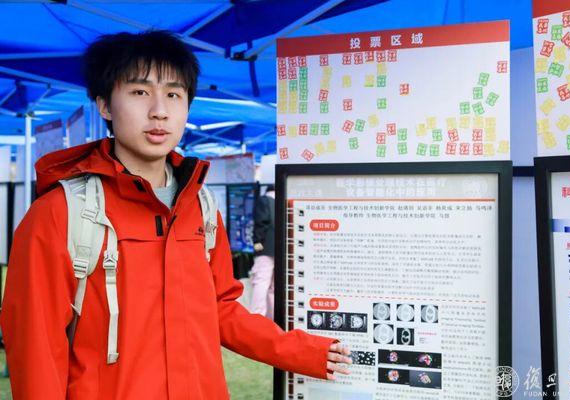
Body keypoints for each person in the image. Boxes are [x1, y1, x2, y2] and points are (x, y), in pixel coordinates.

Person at [0, 30, 351, 399]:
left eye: (173, 94)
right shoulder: (60, 214)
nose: (159, 110)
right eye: (139, 92)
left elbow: (222, 310)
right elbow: (36, 346)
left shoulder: (200, 207)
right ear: (104, 105)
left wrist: (306, 352)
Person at [250, 185, 276, 318]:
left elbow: (261, 222)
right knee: (272, 287)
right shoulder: (284, 202)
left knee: (261, 281)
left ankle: (257, 316)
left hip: (265, 248)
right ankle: (273, 318)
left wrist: (257, 241)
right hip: (280, 251)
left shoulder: (264, 200)